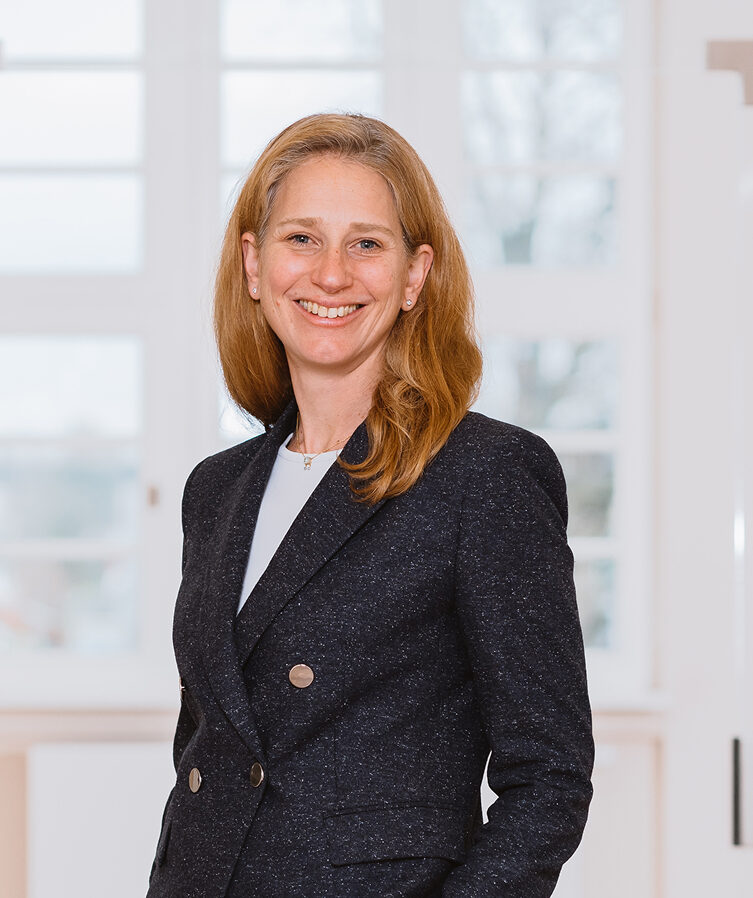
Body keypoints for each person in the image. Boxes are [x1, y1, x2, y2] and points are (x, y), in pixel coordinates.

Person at [146, 112, 594, 898]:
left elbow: (548, 778)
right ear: (253, 265)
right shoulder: (215, 491)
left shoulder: (484, 474)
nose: (330, 275)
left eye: (366, 243)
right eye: (301, 239)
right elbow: (208, 755)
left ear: (415, 274)